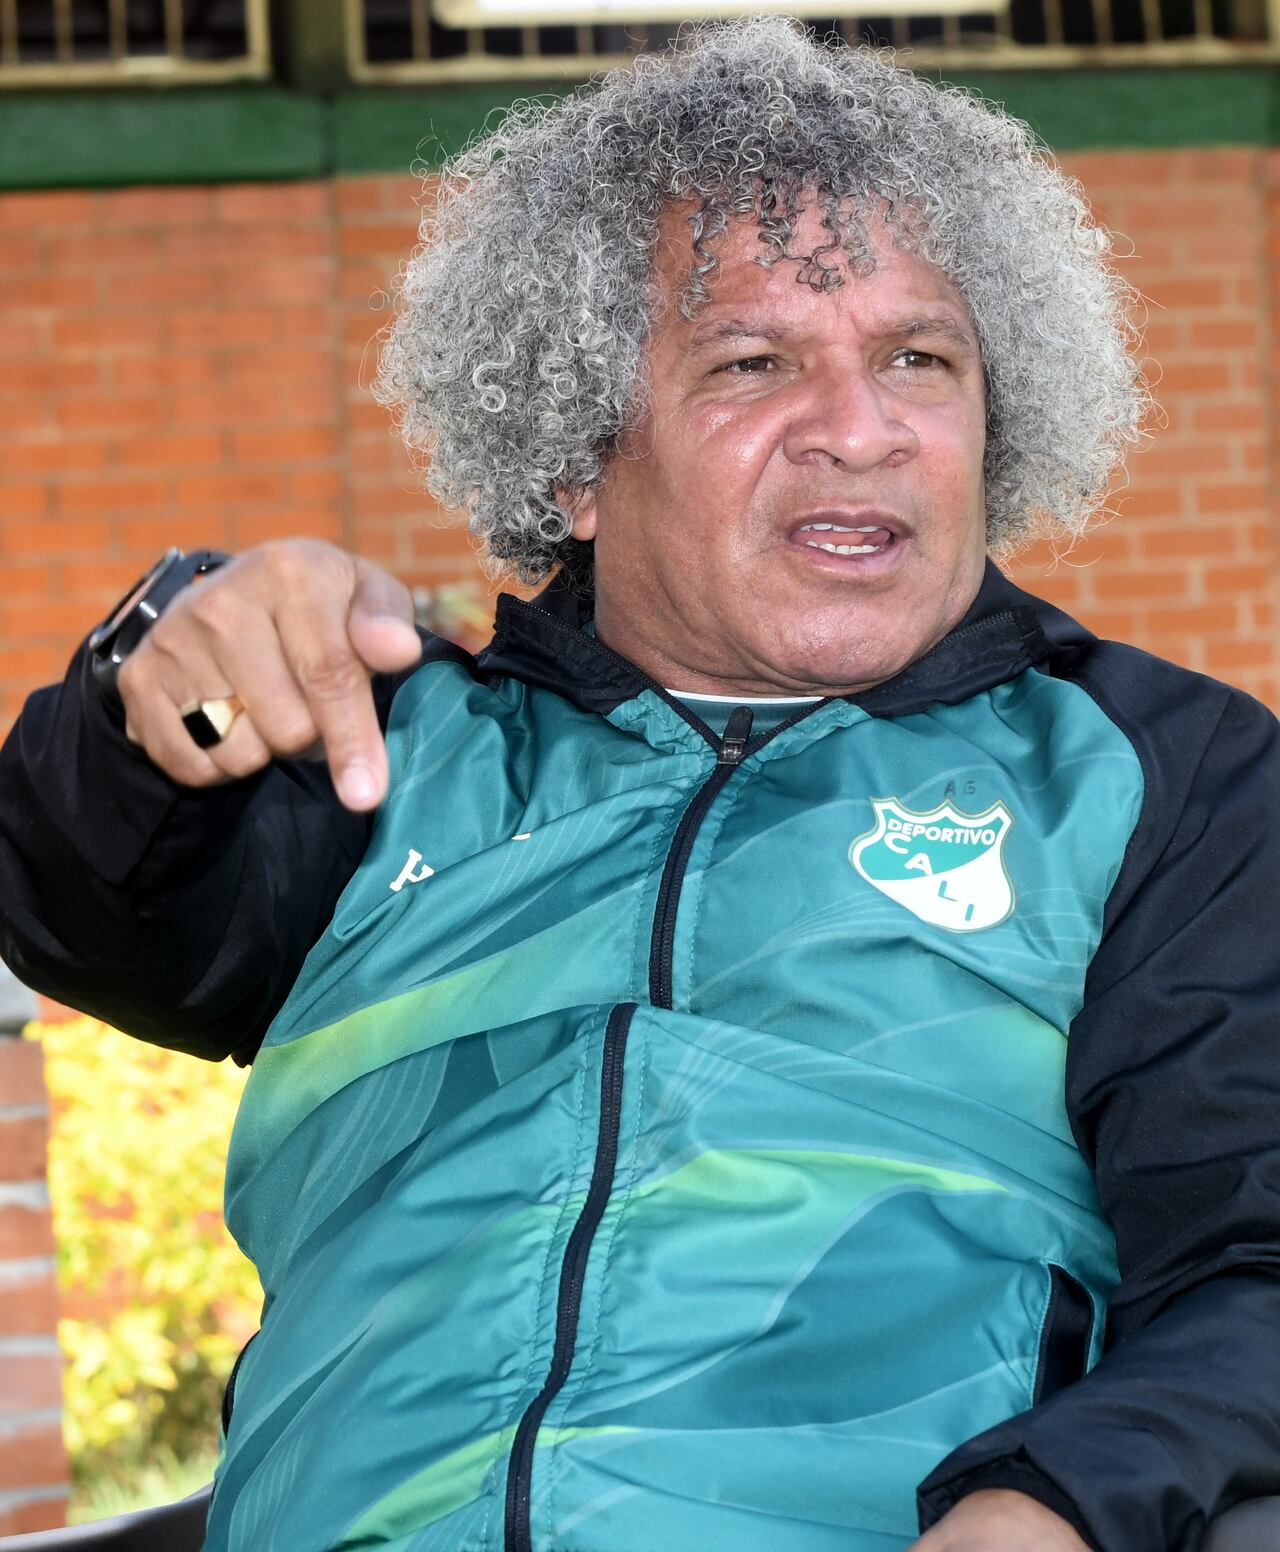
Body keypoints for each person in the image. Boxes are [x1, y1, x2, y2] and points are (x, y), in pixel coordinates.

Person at [2, 21, 1278, 1552]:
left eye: (918, 359)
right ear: (574, 461)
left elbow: (1256, 1263)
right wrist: (163, 686)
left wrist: (1059, 1504)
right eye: (753, 363)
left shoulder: (1159, 776)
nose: (861, 429)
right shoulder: (386, 748)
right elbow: (69, 901)